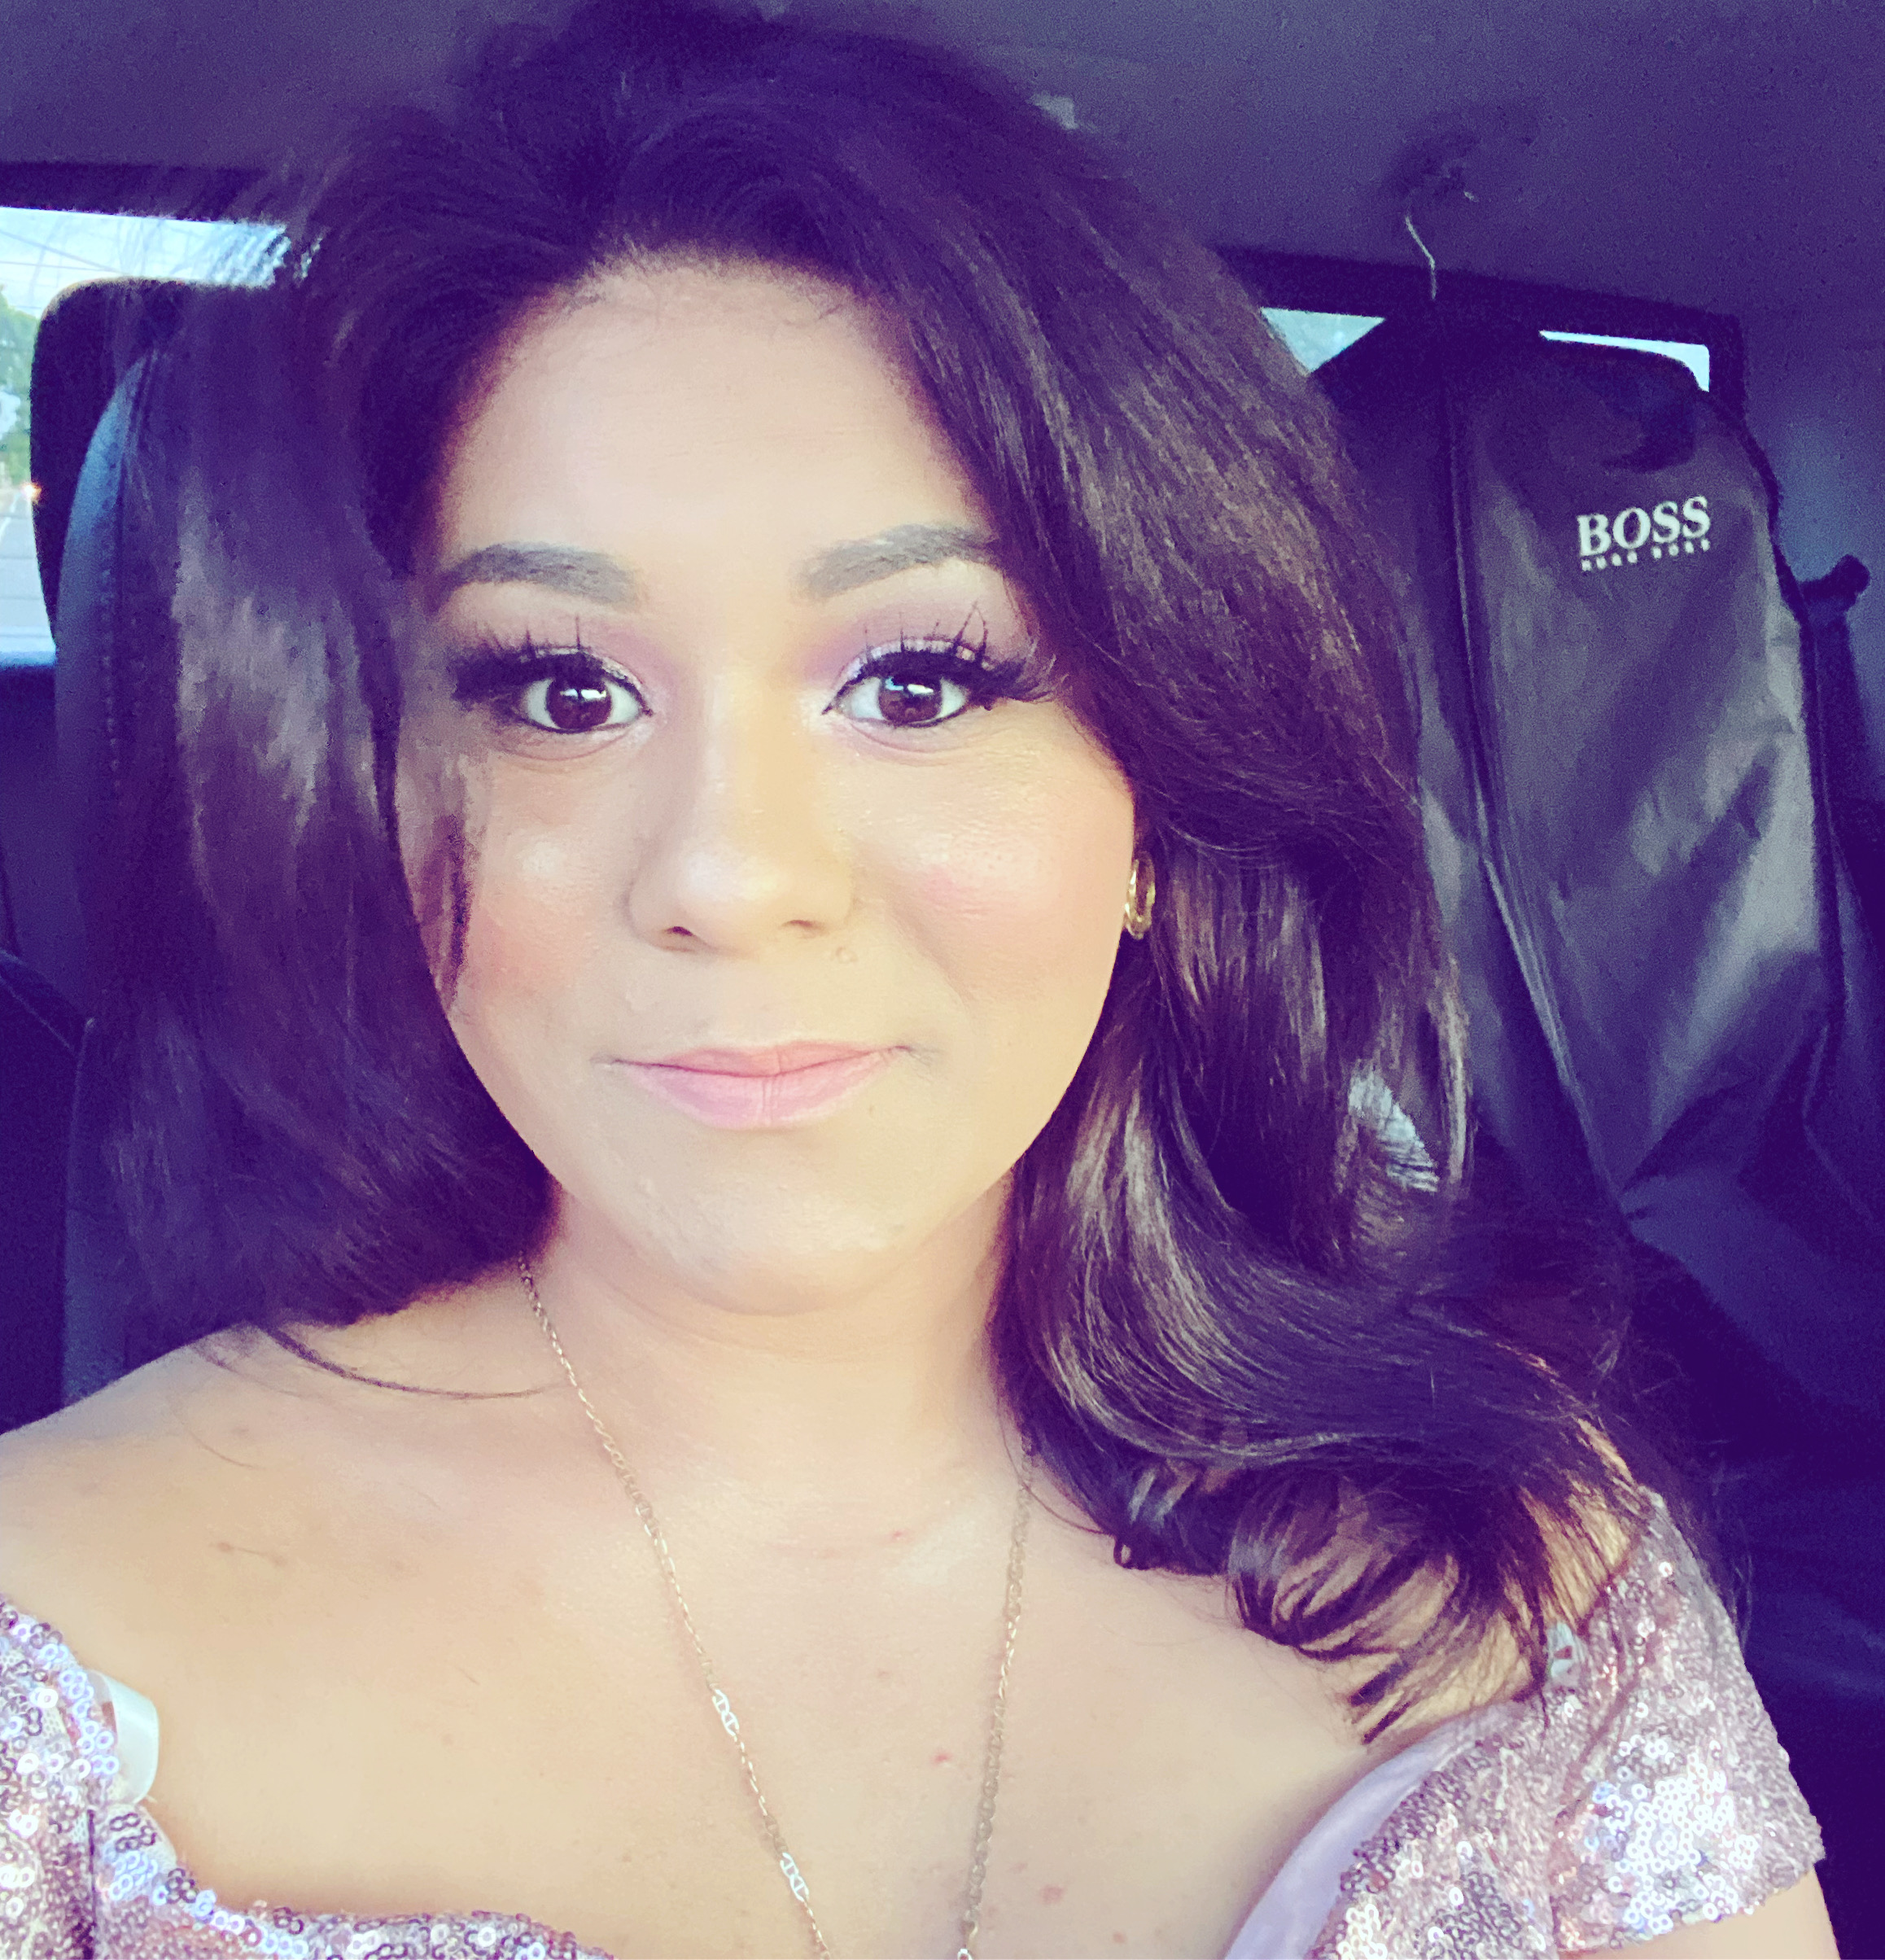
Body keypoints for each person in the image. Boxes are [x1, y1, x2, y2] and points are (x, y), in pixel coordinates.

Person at [0, 2, 1835, 1954]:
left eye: (922, 681)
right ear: (381, 790)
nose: (730, 879)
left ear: (1163, 802)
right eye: (562, 690)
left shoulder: (1536, 1568)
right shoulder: (55, 1644)